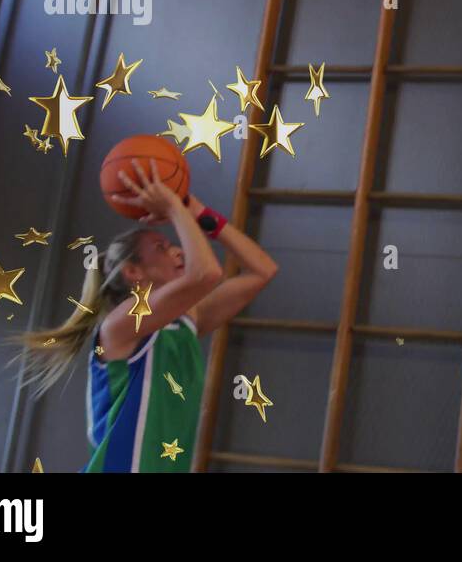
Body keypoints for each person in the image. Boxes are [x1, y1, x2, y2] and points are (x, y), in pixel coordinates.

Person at [14, 160, 278, 472]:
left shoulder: (184, 321)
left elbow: (262, 270)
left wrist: (197, 212)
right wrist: (174, 207)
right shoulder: (121, 325)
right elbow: (206, 273)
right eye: (162, 247)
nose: (178, 250)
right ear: (133, 272)